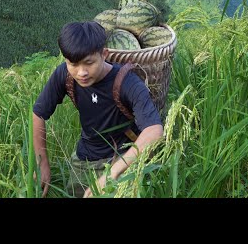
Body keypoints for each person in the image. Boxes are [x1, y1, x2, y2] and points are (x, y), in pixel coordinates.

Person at [32, 21, 164, 198]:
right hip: (84, 158)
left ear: (104, 54)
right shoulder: (63, 74)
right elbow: (38, 113)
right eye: (73, 64)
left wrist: (111, 174)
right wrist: (42, 163)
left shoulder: (127, 82)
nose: (81, 73)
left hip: (121, 156)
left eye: (88, 63)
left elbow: (154, 130)